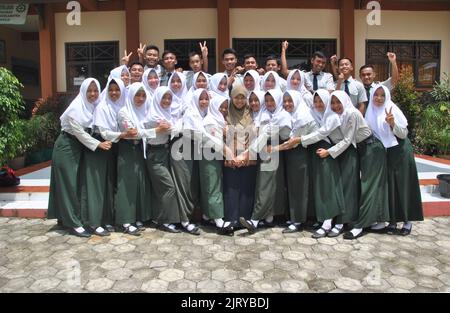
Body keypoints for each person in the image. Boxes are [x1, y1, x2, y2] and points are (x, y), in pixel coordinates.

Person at [48, 78, 111, 238]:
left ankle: (66, 219)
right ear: (83, 91)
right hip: (66, 146)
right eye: (89, 90)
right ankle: (73, 224)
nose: (93, 94)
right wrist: (98, 144)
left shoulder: (94, 106)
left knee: (76, 185)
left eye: (95, 90)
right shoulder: (76, 108)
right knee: (68, 185)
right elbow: (80, 133)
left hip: (79, 147)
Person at [364, 85, 423, 236]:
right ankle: (392, 220)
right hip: (386, 153)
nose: (378, 98)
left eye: (382, 95)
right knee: (390, 186)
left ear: (387, 96)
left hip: (401, 150)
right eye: (376, 95)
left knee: (403, 185)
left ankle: (407, 221)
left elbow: (403, 134)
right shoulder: (370, 111)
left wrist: (392, 124)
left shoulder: (392, 109)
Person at [311, 91, 372, 238]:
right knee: (338, 187)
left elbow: (348, 140)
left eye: (338, 102)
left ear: (345, 101)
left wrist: (328, 152)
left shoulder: (352, 113)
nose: (335, 106)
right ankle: (329, 221)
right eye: (332, 103)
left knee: (347, 188)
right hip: (344, 150)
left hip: (357, 149)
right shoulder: (335, 115)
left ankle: (340, 224)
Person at [240, 89, 291, 234]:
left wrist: (248, 152)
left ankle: (254, 220)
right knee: (269, 184)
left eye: (271, 100)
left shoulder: (282, 116)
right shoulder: (268, 114)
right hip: (268, 150)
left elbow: (267, 134)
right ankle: (268, 217)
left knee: (265, 184)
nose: (268, 103)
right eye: (267, 100)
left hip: (272, 151)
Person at [83, 78, 130, 236]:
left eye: (117, 89)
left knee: (111, 184)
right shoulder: (102, 107)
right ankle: (95, 223)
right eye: (111, 90)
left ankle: (108, 220)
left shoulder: (123, 106)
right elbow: (104, 133)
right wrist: (123, 134)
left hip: (114, 147)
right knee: (99, 186)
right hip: (101, 148)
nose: (114, 93)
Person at [116, 82, 163, 235]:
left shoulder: (144, 111)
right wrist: (156, 130)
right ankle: (125, 220)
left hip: (139, 150)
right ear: (131, 95)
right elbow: (133, 133)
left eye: (143, 95)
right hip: (127, 149)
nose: (141, 98)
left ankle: (136, 217)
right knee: (126, 185)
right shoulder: (124, 112)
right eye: (138, 95)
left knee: (138, 184)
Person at [298, 90, 345, 237]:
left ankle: (328, 223)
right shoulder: (314, 114)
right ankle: (323, 219)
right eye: (316, 101)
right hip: (318, 153)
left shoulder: (331, 117)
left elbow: (321, 133)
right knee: (321, 187)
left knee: (328, 188)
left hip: (328, 153)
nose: (318, 104)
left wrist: (300, 140)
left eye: (321, 101)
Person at [273, 90, 318, 233]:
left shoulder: (302, 116)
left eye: (290, 101)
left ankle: (298, 220)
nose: (286, 104)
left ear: (297, 100)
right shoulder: (292, 115)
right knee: (293, 185)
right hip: (293, 154)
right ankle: (295, 216)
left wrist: (273, 149)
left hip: (300, 153)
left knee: (299, 187)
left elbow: (292, 142)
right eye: (285, 101)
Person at [146, 86, 184, 233]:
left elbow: (173, 126)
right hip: (155, 154)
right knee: (169, 187)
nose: (167, 101)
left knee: (162, 188)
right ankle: (166, 221)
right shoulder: (154, 116)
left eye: (169, 98)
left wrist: (177, 123)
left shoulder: (166, 114)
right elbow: (174, 130)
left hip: (164, 151)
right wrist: (180, 121)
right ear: (157, 98)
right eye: (164, 98)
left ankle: (158, 218)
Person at [223, 86, 258, 233]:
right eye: (236, 97)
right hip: (230, 156)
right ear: (232, 97)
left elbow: (256, 135)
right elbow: (223, 135)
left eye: (243, 97)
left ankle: (245, 219)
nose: (239, 100)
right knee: (231, 188)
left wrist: (245, 154)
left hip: (248, 156)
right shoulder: (226, 114)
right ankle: (231, 219)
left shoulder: (252, 113)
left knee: (246, 189)